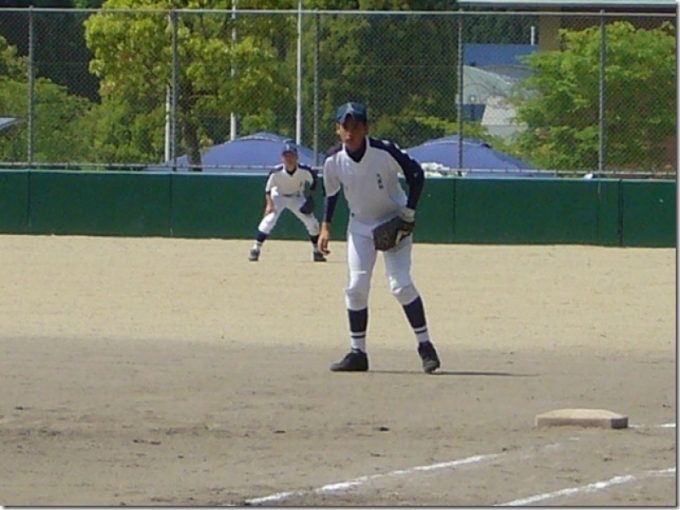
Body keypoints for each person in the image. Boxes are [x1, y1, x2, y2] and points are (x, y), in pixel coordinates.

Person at [318, 102, 441, 374]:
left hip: (393, 221)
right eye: (345, 126)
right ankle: (358, 353)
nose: (351, 132)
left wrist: (409, 211)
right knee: (355, 288)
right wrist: (325, 226)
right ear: (337, 129)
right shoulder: (333, 160)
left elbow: (416, 174)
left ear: (366, 128)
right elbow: (331, 193)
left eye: (356, 126)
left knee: (400, 285)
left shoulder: (384, 151)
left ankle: (425, 346)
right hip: (360, 226)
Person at [248, 140, 327, 262]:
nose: (289, 158)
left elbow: (314, 181)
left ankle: (316, 252)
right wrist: (269, 204)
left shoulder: (305, 170)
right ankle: (255, 249)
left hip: (296, 196)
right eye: (286, 156)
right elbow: (268, 190)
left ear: (297, 157)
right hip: (278, 196)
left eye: (291, 155)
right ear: (282, 158)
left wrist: (310, 197)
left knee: (312, 223)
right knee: (269, 220)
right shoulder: (276, 172)